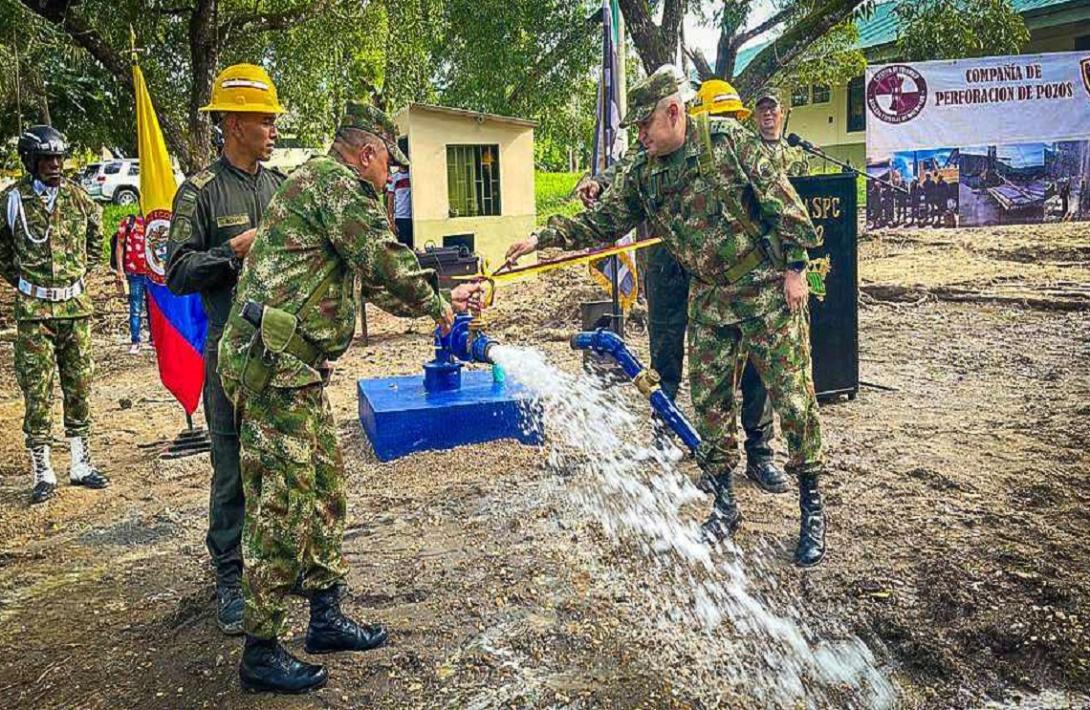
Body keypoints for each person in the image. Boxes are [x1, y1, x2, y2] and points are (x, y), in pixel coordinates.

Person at [507, 66, 828, 567]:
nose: (639, 137)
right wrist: (540, 239)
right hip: (710, 297)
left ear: (673, 113)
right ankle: (723, 505)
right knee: (711, 402)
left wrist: (796, 269)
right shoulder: (644, 170)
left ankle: (811, 509)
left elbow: (785, 205)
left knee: (792, 397)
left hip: (764, 288)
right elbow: (603, 220)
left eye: (644, 126)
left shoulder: (727, 143)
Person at [217, 100, 484, 694]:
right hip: (273, 369)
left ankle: (325, 615)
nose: (390, 175)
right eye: (388, 162)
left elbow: (371, 281)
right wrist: (439, 307)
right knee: (283, 503)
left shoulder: (325, 190)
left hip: (299, 372)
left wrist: (444, 303)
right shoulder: (336, 187)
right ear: (366, 154)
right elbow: (384, 262)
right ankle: (261, 648)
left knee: (326, 490)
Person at [576, 76, 788, 494]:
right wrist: (599, 181)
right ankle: (669, 435)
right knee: (667, 354)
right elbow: (629, 168)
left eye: (733, 119)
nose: (726, 126)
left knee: (749, 362)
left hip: (727, 269)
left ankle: (760, 452)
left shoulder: (737, 149)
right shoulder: (658, 149)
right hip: (669, 264)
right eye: (719, 117)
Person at [165, 64, 287, 636]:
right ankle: (230, 580)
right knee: (233, 467)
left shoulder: (278, 187)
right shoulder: (201, 191)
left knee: (283, 462)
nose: (272, 129)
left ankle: (277, 566)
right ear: (233, 122)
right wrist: (232, 254)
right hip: (227, 350)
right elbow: (177, 272)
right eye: (264, 119)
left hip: (280, 348)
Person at [0, 125, 110, 504]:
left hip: (75, 309)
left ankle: (80, 462)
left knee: (79, 385)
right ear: (30, 161)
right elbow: (3, 251)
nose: (55, 165)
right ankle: (42, 469)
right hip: (34, 313)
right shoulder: (13, 201)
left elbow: (97, 241)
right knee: (38, 390)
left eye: (59, 158)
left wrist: (76, 277)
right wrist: (27, 284)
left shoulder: (79, 198)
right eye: (46, 158)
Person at [753, 87, 810, 178]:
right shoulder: (746, 151)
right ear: (755, 115)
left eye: (772, 107)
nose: (767, 112)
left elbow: (808, 189)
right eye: (762, 108)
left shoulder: (797, 153)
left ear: (782, 111)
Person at [114, 214, 149, 354]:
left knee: (154, 308)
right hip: (134, 273)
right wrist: (120, 270)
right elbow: (119, 245)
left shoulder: (154, 221)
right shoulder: (129, 222)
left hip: (153, 274)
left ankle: (154, 340)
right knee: (135, 308)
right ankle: (135, 340)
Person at [386, 137, 413, 247]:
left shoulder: (413, 176)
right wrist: (391, 220)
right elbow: (390, 200)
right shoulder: (394, 177)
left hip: (413, 218)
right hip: (401, 218)